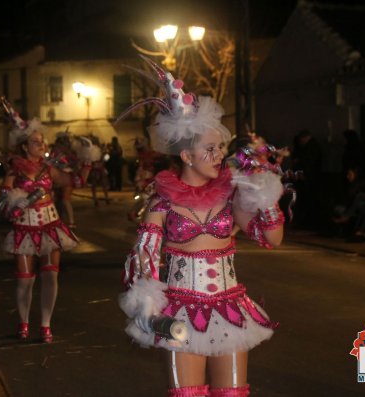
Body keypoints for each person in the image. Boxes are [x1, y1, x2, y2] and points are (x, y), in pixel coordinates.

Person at [118, 57, 284, 397]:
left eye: (220, 146)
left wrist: (267, 198)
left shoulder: (230, 196)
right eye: (209, 149)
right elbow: (144, 263)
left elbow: (272, 239)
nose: (219, 154)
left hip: (231, 311)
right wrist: (149, 311)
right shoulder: (161, 203)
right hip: (179, 313)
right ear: (187, 156)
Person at [0, 98, 80, 343]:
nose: (41, 144)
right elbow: (3, 198)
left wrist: (85, 164)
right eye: (35, 141)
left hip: (50, 226)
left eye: (42, 141)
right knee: (25, 281)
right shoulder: (15, 170)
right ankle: (24, 323)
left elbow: (71, 183)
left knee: (51, 276)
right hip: (25, 227)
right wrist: (15, 202)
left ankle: (45, 325)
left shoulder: (49, 168)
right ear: (24, 146)